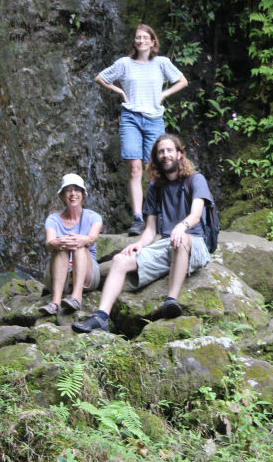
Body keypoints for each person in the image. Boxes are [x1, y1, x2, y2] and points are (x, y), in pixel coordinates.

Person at [72, 134, 212, 333]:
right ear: (156, 158)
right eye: (161, 152)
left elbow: (196, 214)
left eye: (169, 150)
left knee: (180, 241)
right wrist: (139, 244)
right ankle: (101, 317)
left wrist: (182, 226)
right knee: (120, 260)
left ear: (179, 154)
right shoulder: (155, 187)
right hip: (167, 244)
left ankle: (171, 300)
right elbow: (150, 230)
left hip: (194, 242)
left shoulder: (195, 180)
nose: (165, 155)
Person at [95, 24, 188, 236]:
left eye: (146, 37)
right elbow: (100, 77)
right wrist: (119, 90)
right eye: (138, 38)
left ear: (153, 41)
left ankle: (158, 216)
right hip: (131, 118)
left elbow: (182, 81)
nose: (141, 41)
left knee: (155, 169)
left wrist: (165, 95)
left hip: (154, 119)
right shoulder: (124, 64)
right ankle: (138, 218)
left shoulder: (162, 63)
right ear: (134, 42)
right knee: (134, 168)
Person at [40, 173, 103, 316]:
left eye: (77, 190)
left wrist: (83, 240)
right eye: (68, 190)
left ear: (83, 194)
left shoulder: (94, 217)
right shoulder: (53, 219)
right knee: (59, 247)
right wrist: (57, 242)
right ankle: (55, 302)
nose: (73, 194)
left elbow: (92, 237)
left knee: (79, 244)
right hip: (58, 277)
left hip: (88, 276)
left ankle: (76, 297)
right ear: (62, 196)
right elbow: (49, 244)